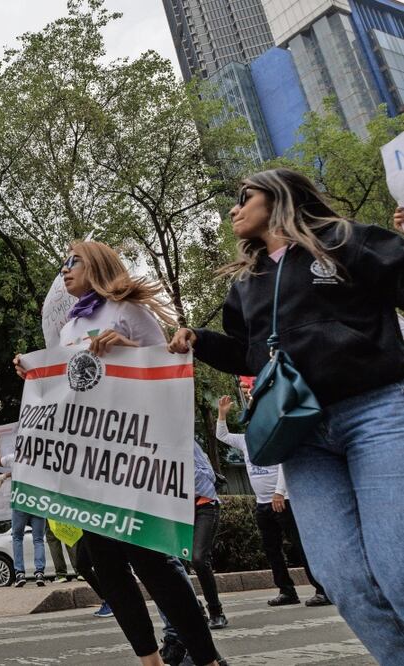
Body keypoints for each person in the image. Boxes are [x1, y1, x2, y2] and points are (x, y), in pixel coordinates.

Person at [169, 169, 404, 661]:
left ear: (277, 197)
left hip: (376, 411)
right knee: (341, 576)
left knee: (397, 568)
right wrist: (199, 339)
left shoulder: (343, 239)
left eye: (243, 197)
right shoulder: (247, 284)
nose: (234, 209)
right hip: (301, 436)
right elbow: (248, 354)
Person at [18, 240, 222, 666]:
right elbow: (71, 388)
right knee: (107, 568)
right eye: (63, 263)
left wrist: (127, 348)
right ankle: (149, 660)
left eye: (73, 261)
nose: (65, 271)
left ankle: (206, 658)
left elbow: (169, 368)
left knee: (151, 563)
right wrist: (37, 370)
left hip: (132, 458)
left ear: (97, 265)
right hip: (91, 462)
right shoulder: (71, 326)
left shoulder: (129, 310)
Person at [215, 395, 329, 607]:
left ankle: (323, 589)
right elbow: (222, 435)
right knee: (272, 549)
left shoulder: (274, 436)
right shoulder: (245, 440)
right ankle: (287, 591)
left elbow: (285, 464)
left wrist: (279, 492)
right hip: (262, 504)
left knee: (300, 546)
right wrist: (222, 414)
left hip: (283, 501)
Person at [0, 432, 47, 587]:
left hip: (20, 502)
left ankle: (20, 573)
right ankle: (40, 572)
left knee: (17, 537)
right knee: (38, 539)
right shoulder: (40, 460)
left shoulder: (14, 458)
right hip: (38, 502)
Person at [190, 443, 226, 629]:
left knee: (199, 559)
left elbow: (209, 474)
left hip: (205, 506)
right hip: (181, 511)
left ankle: (216, 611)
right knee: (176, 563)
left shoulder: (188, 443)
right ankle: (195, 611)